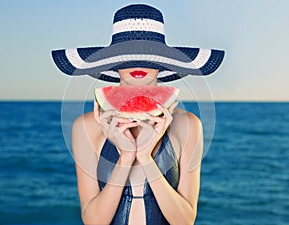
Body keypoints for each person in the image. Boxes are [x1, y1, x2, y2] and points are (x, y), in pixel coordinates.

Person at [51, 4, 224, 225]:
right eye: (127, 56)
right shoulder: (86, 126)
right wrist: (125, 157)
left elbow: (185, 220)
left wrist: (145, 156)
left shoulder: (188, 125)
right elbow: (93, 221)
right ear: (114, 65)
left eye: (149, 56)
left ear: (163, 63)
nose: (138, 64)